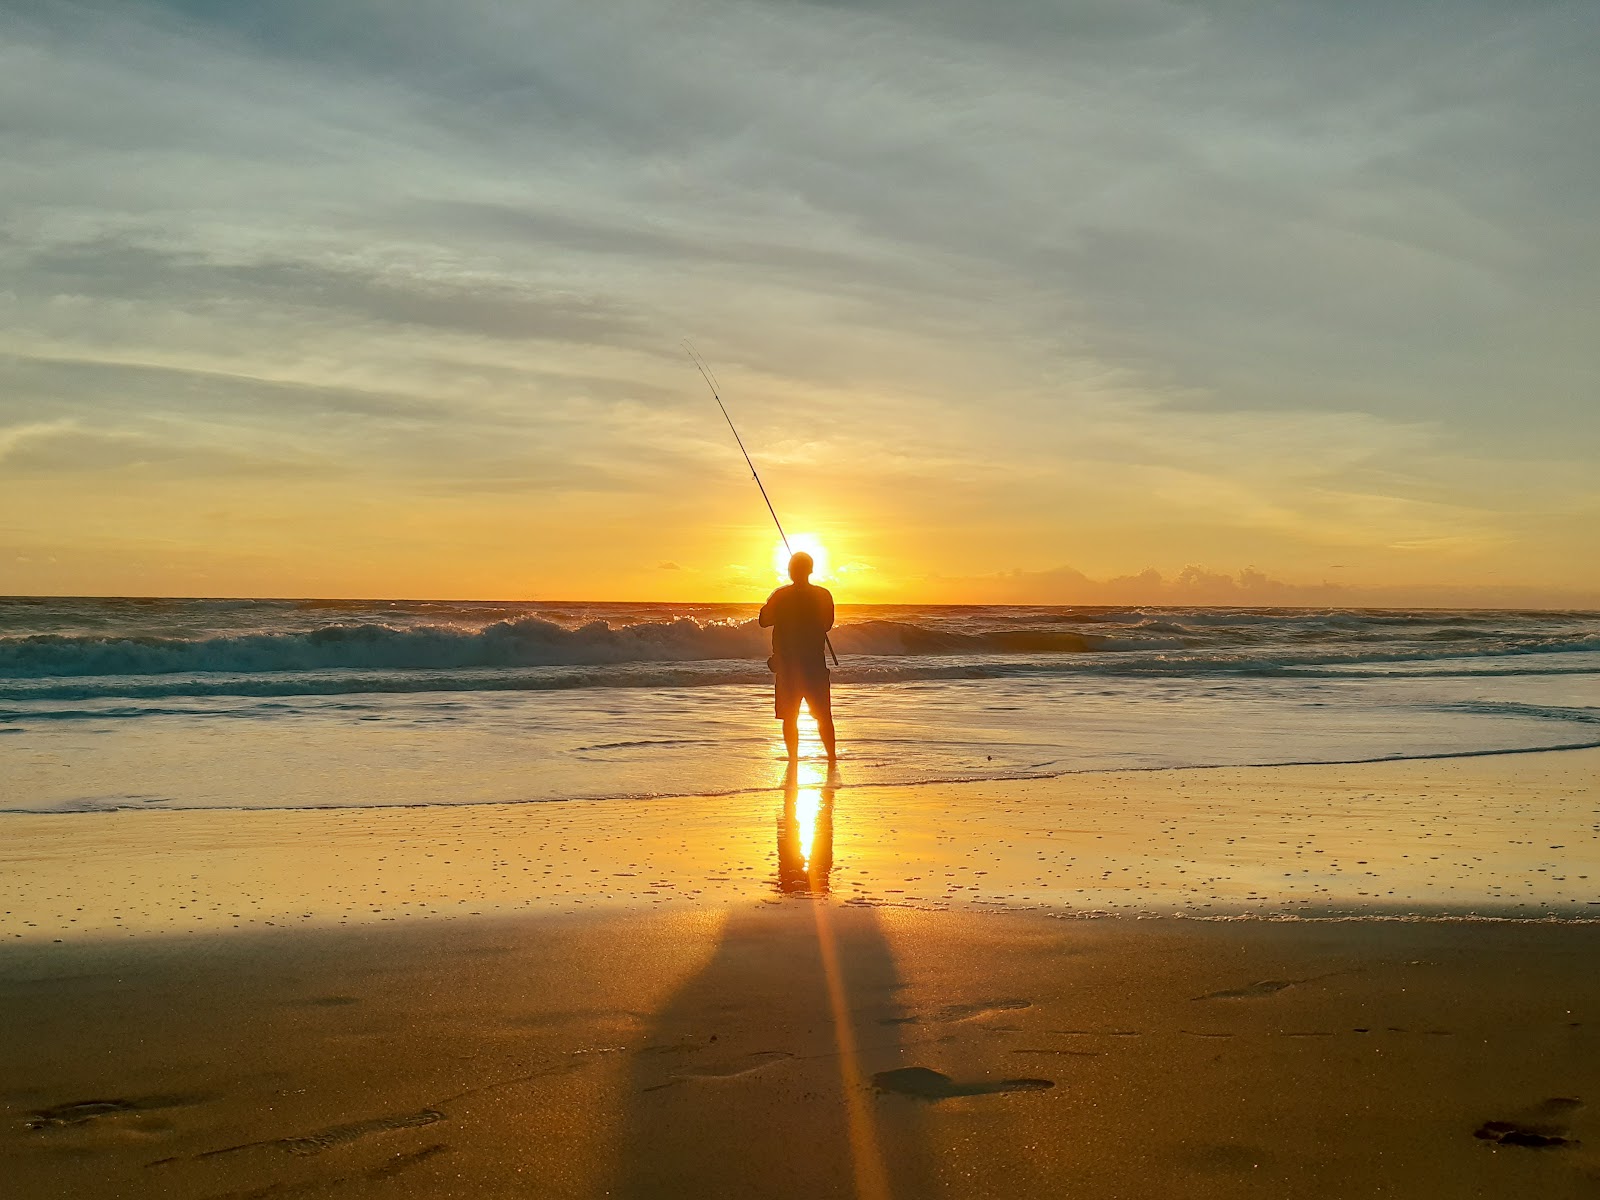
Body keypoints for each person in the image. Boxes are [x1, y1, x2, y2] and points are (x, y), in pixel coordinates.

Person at [758, 551, 837, 761]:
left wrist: (773, 604)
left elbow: (763, 620)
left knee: (790, 717)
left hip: (788, 665)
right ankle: (831, 758)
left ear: (791, 571)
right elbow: (827, 624)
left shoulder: (781, 595)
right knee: (823, 716)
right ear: (810, 570)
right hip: (814, 664)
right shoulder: (823, 595)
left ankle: (793, 759)